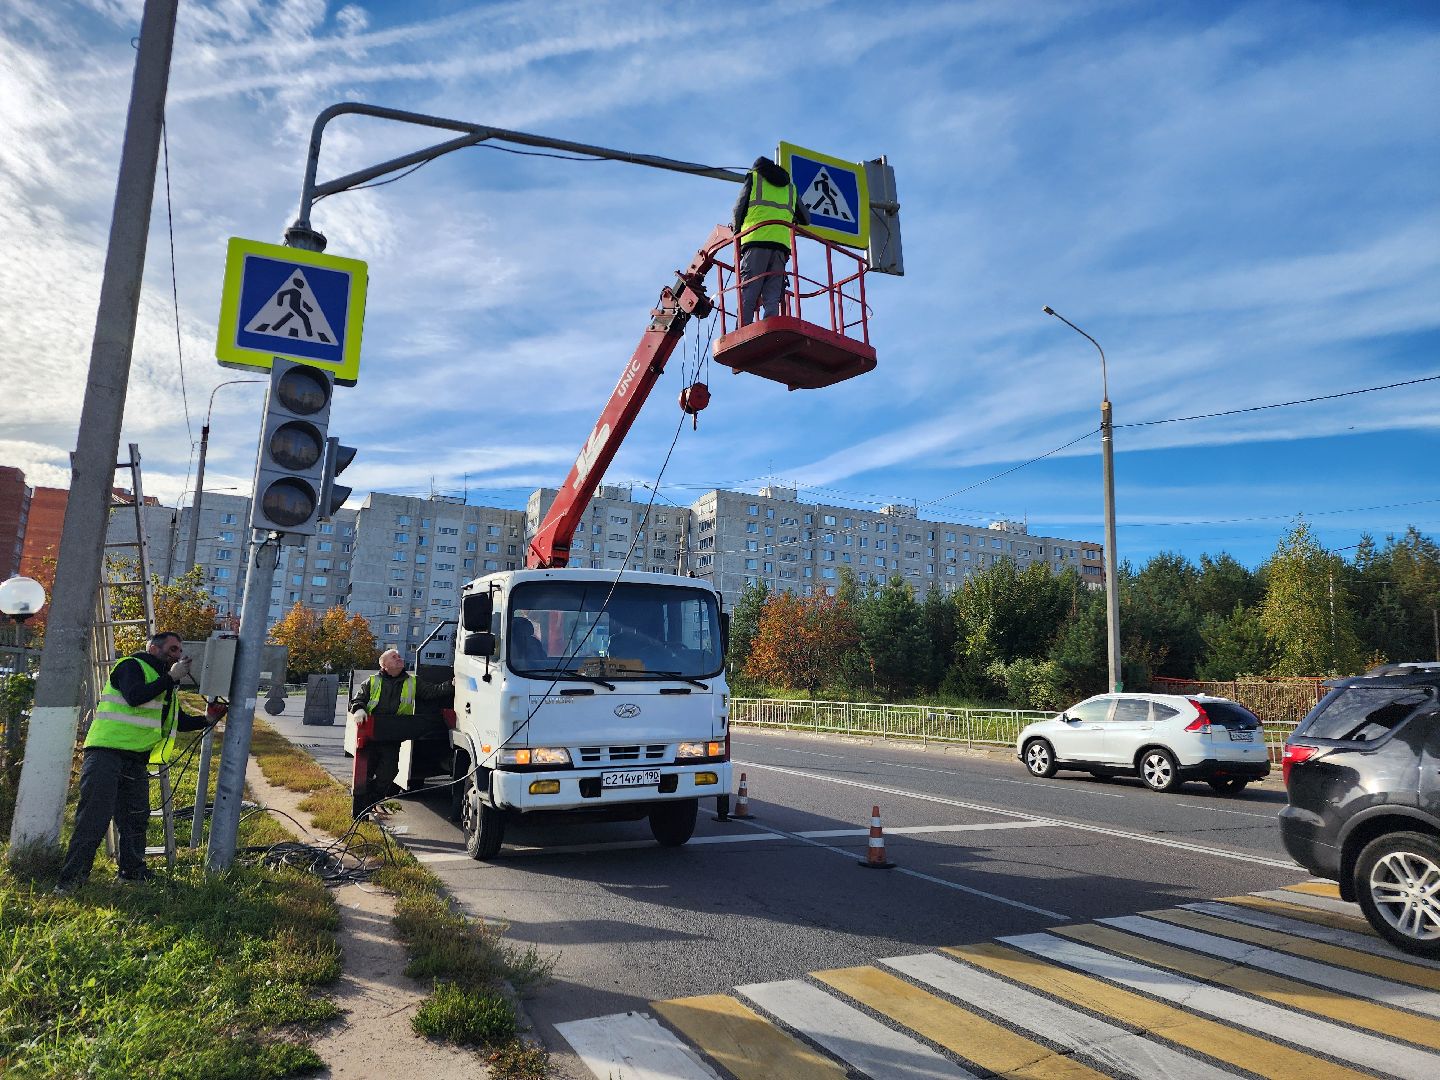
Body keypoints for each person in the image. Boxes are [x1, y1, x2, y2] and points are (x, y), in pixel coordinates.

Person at [57, 631, 226, 889]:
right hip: (106, 753)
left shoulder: (165, 684)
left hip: (135, 760)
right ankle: (70, 881)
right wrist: (170, 678)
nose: (178, 655)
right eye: (172, 650)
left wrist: (208, 719)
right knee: (94, 817)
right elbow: (134, 696)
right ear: (153, 649)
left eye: (179, 651)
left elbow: (176, 721)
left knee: (136, 817)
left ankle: (132, 872)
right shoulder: (131, 666)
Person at [349, 649, 453, 807]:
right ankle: (361, 808)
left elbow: (433, 692)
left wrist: (451, 685)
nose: (399, 659)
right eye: (394, 657)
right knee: (365, 774)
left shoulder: (412, 681)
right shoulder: (372, 682)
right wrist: (359, 709)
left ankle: (370, 802)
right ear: (384, 665)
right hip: (371, 737)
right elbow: (358, 699)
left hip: (392, 737)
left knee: (389, 774)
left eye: (399, 656)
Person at [732, 155, 811, 325]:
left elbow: (739, 209)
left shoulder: (753, 177)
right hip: (781, 246)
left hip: (755, 241)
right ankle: (770, 327)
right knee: (772, 293)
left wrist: (736, 234)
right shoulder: (790, 187)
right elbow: (806, 218)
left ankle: (742, 329)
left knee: (749, 289)